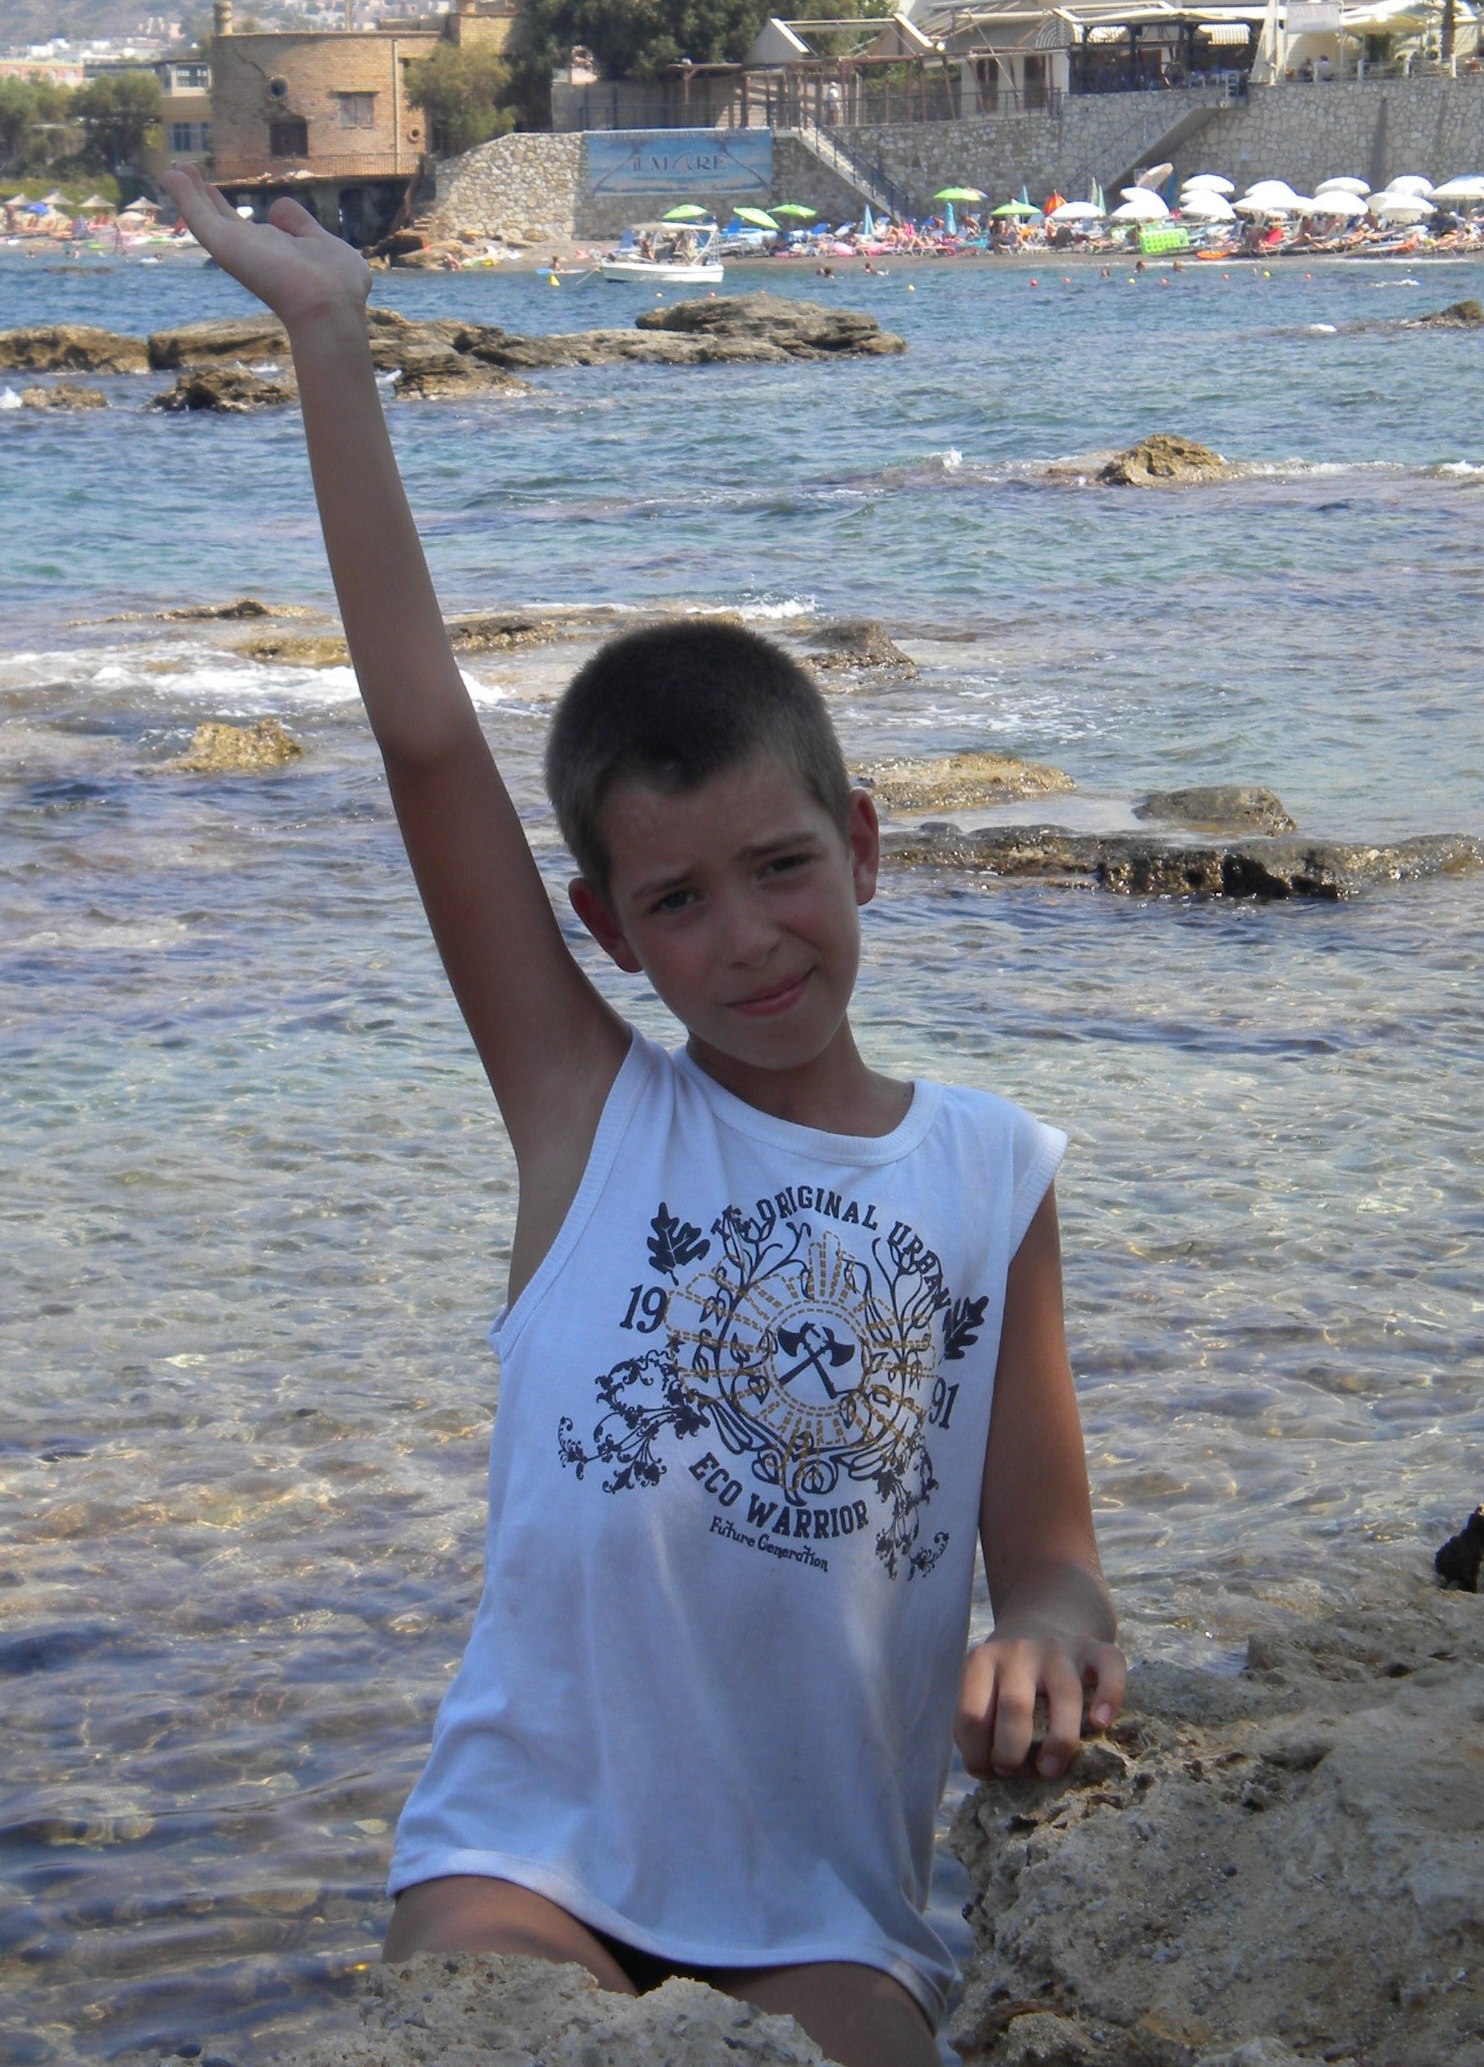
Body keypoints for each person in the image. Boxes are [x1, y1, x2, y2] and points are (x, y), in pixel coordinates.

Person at [164, 167, 1126, 2067]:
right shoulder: (585, 1112)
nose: (748, 939)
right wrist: (333, 341)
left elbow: (1049, 1547)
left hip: (822, 1906)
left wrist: (1053, 1637)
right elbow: (425, 743)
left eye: (782, 868)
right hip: (528, 1855)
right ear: (605, 933)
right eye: (677, 902)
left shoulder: (989, 1174)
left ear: (862, 845)